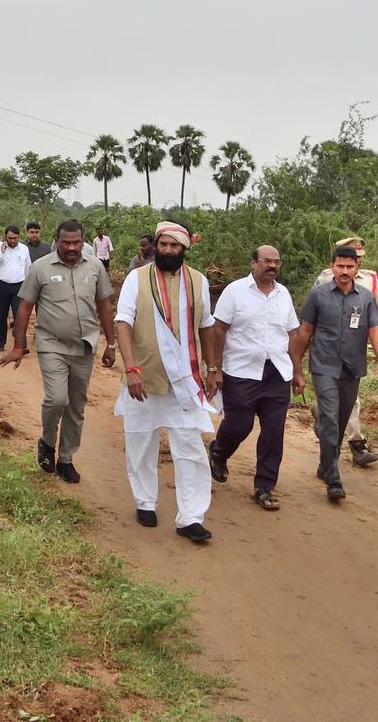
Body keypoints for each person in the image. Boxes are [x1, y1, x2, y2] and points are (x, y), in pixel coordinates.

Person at [114, 220, 219, 542]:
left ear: (185, 248)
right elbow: (122, 323)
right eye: (164, 245)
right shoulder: (137, 278)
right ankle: (145, 502)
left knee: (190, 448)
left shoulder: (198, 281)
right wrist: (130, 369)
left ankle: (190, 517)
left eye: (175, 246)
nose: (168, 251)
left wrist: (213, 368)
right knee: (141, 442)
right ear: (156, 245)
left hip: (185, 381)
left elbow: (206, 326)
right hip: (143, 377)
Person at [0, 220, 116, 484]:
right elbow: (25, 308)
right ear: (57, 241)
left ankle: (66, 459)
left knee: (76, 406)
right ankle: (48, 442)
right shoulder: (40, 268)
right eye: (67, 243)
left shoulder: (95, 266)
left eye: (77, 242)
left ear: (83, 242)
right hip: (51, 344)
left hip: (84, 346)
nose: (72, 247)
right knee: (56, 399)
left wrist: (111, 344)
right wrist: (18, 345)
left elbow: (105, 306)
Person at [291, 245, 378, 502]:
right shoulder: (319, 295)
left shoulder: (365, 297)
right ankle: (333, 479)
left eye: (349, 266)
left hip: (352, 368)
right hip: (324, 366)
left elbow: (375, 330)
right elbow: (305, 332)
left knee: (341, 419)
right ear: (332, 266)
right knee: (330, 420)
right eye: (340, 266)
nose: (344, 271)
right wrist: (297, 369)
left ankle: (325, 465)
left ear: (357, 268)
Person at [207, 246, 301, 511]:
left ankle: (265, 487)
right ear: (253, 263)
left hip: (276, 373)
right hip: (242, 370)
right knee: (240, 425)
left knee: (273, 432)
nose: (272, 266)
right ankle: (219, 451)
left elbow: (293, 333)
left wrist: (297, 371)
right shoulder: (235, 291)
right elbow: (219, 329)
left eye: (276, 262)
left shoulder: (283, 295)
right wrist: (216, 369)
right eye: (266, 261)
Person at [314, 236, 378, 466]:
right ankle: (353, 445)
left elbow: (375, 316)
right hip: (328, 352)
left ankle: (330, 425)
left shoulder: (371, 280)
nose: (348, 267)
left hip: (354, 350)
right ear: (335, 261)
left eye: (357, 258)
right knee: (338, 406)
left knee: (349, 402)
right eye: (342, 261)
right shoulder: (325, 278)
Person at [0, 225, 31, 352]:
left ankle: (21, 345)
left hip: (19, 286)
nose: (13, 241)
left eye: (15, 238)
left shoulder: (24, 249)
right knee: (2, 315)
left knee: (19, 315)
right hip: (2, 285)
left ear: (19, 237)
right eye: (10, 238)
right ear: (5, 236)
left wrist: (27, 284)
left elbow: (28, 267)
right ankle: (0, 343)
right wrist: (1, 252)